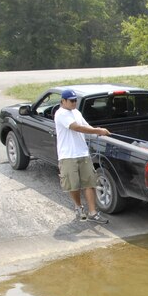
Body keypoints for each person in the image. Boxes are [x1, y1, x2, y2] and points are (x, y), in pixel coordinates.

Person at [54, 88, 111, 223]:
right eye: (72, 101)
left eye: (75, 100)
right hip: (67, 156)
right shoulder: (60, 114)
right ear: (63, 101)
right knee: (73, 186)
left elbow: (86, 127)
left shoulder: (76, 112)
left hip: (83, 153)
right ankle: (79, 206)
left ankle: (92, 213)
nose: (74, 103)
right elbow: (77, 128)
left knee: (89, 183)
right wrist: (99, 130)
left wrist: (98, 132)